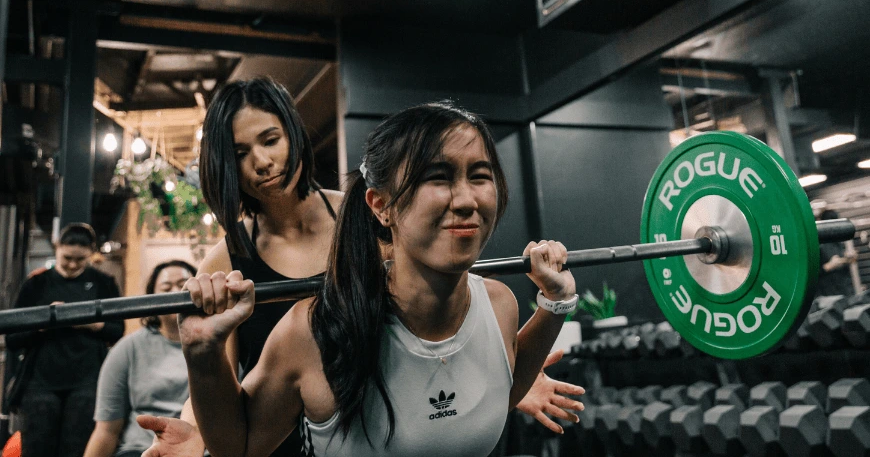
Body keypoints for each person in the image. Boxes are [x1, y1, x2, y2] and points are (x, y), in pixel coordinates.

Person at [137, 81, 582, 456]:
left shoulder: (359, 223)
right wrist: (200, 433)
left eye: (270, 140)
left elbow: (434, 325)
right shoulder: (240, 272)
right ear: (382, 207)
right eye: (240, 152)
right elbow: (222, 375)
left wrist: (496, 369)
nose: (262, 161)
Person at [6, 223, 124, 457]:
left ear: (91, 254)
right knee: (37, 447)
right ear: (57, 248)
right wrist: (44, 321)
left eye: (80, 260)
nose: (72, 264)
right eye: (67, 258)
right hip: (40, 380)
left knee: (77, 446)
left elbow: (117, 330)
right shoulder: (36, 284)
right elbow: (13, 337)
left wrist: (86, 321)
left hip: (87, 379)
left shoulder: (103, 282)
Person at [83, 260, 196, 457]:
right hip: (140, 450)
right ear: (153, 299)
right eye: (166, 288)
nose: (176, 292)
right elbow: (106, 431)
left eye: (183, 286)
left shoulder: (220, 346)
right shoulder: (128, 348)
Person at [815, 207, 858, 297]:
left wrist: (847, 259)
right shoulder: (817, 244)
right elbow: (810, 275)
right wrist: (828, 266)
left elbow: (843, 265)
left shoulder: (838, 242)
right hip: (827, 294)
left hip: (844, 290)